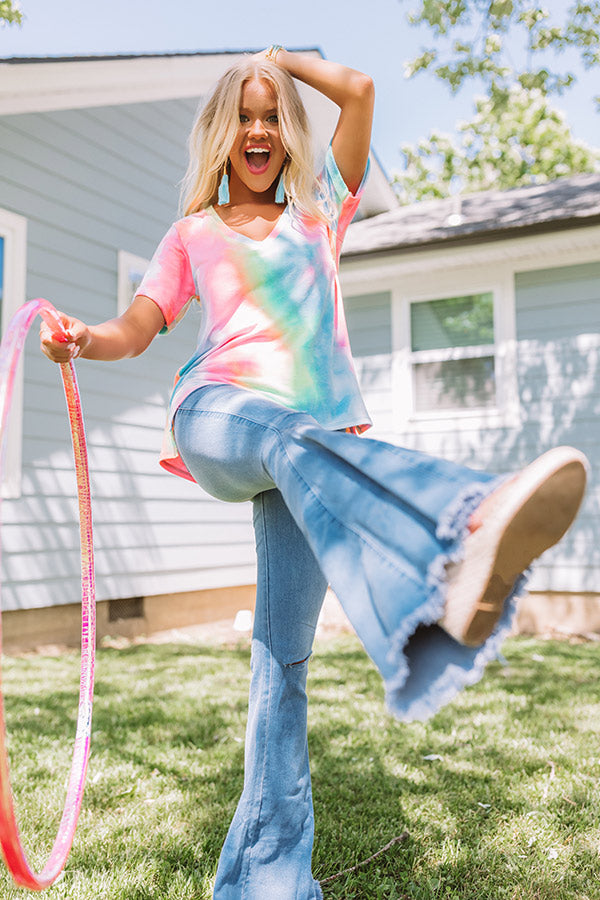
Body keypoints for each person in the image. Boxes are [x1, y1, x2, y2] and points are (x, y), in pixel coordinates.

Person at [41, 47, 588, 900]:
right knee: (291, 437)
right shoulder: (191, 234)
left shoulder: (318, 214)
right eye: (243, 116)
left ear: (286, 133)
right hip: (220, 417)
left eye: (271, 115)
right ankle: (458, 523)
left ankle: (266, 879)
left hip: (311, 457)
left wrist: (281, 61)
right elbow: (137, 328)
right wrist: (82, 338)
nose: (258, 129)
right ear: (222, 136)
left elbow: (362, 89)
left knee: (282, 665)